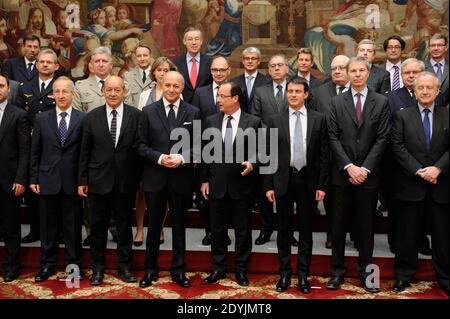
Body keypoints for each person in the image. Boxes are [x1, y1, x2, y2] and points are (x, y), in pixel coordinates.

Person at [326, 57, 390, 293]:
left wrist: (364, 168)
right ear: (347, 72)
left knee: (366, 227)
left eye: (362, 70)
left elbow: (383, 137)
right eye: (353, 70)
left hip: (368, 176)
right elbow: (332, 136)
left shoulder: (381, 101)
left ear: (368, 72)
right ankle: (337, 272)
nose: (357, 74)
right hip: (342, 175)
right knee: (338, 225)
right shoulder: (336, 102)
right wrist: (349, 166)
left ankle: (366, 273)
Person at [264, 77, 329, 293]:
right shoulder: (274, 120)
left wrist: (322, 185)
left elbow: (324, 156)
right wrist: (268, 185)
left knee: (305, 231)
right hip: (283, 180)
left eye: (297, 91)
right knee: (283, 230)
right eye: (290, 91)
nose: (293, 94)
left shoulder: (319, 119)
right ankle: (284, 274)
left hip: (308, 182)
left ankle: (303, 275)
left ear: (306, 94)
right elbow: (268, 154)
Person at [137, 71, 200, 288]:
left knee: (180, 227)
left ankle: (179, 271)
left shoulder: (193, 112)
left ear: (182, 88)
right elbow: (140, 145)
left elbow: (200, 146)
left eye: (176, 86)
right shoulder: (147, 111)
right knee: (153, 226)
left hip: (181, 178)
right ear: (161, 85)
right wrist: (161, 158)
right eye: (168, 85)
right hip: (155, 177)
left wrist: (182, 158)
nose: (172, 89)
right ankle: (150, 270)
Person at [78, 76, 142, 286]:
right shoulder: (91, 117)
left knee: (124, 227)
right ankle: (98, 269)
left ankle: (125, 267)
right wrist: (82, 180)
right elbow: (84, 152)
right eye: (109, 90)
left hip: (126, 182)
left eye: (117, 90)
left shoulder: (136, 116)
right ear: (103, 91)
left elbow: (139, 149)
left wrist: (140, 179)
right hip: (97, 181)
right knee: (97, 229)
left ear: (124, 91)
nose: (113, 94)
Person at [390, 72, 448, 296]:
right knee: (407, 236)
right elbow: (397, 146)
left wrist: (438, 168)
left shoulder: (447, 115)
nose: (424, 91)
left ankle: (445, 277)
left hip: (440, 186)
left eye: (429, 87)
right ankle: (403, 276)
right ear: (414, 91)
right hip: (410, 185)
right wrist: (418, 170)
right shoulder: (403, 116)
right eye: (420, 88)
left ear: (437, 91)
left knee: (443, 237)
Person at [201, 81, 261, 286]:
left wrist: (252, 162)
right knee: (217, 230)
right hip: (216, 184)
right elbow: (205, 154)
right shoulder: (211, 121)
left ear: (235, 98)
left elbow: (261, 151)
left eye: (222, 96)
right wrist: (203, 181)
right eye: (218, 96)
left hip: (242, 186)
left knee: (242, 231)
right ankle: (218, 269)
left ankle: (241, 270)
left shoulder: (253, 122)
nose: (218, 100)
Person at [29, 76, 84, 282]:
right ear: (52, 94)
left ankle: (73, 266)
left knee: (72, 228)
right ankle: (47, 265)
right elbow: (35, 151)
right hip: (47, 180)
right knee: (48, 227)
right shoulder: (42, 118)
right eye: (57, 92)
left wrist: (82, 180)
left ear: (73, 94)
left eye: (65, 91)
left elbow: (84, 154)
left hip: (72, 182)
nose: (61, 95)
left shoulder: (82, 118)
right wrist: (33, 177)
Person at [386, 58, 431, 256]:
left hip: (427, 164)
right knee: (398, 208)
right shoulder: (391, 97)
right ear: (401, 75)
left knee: (423, 207)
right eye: (407, 73)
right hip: (399, 164)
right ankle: (396, 242)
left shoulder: (430, 94)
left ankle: (421, 241)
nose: (411, 76)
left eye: (415, 72)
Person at [131, 56, 178, 247]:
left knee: (164, 192)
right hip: (147, 152)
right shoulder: (144, 95)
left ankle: (157, 228)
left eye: (166, 70)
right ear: (154, 73)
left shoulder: (177, 93)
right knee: (142, 192)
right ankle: (141, 229)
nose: (162, 73)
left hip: (168, 152)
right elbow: (139, 124)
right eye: (159, 70)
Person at [251, 55, 297, 247]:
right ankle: (266, 228)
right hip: (267, 147)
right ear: (268, 70)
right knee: (266, 193)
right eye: (273, 66)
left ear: (287, 68)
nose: (277, 68)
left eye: (280, 65)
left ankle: (288, 233)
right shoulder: (260, 91)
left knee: (289, 193)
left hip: (291, 149)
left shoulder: (295, 89)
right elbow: (255, 118)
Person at [191, 56, 233, 245]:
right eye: (215, 70)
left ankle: (224, 232)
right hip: (208, 152)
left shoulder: (235, 90)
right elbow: (196, 123)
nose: (218, 73)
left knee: (228, 195)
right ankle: (210, 232)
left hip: (231, 152)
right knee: (206, 195)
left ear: (228, 71)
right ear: (211, 71)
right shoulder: (200, 93)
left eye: (222, 70)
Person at [311, 55, 350, 249]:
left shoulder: (360, 92)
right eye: (334, 68)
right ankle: (333, 235)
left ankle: (357, 236)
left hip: (354, 156)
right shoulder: (319, 93)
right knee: (332, 201)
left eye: (341, 68)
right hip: (327, 156)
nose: (336, 71)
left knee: (355, 202)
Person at [0, 73, 30, 282]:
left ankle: (11, 266)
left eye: (1, 85)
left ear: (8, 89)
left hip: (8, 181)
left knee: (10, 227)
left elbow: (24, 151)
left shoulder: (18, 115)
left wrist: (20, 179)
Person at [172, 27, 213, 103]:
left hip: (205, 106)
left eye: (197, 39)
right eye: (190, 39)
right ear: (184, 42)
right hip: (183, 106)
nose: (194, 42)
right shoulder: (176, 63)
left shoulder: (210, 62)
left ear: (201, 41)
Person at [231, 47, 271, 111]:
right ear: (243, 61)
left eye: (253, 58)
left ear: (258, 61)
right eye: (247, 58)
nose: (250, 61)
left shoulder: (267, 81)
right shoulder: (234, 82)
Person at [424, 34, 449, 108]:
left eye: (439, 45)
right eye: (432, 45)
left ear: (446, 47)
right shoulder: (420, 68)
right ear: (428, 48)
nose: (436, 48)